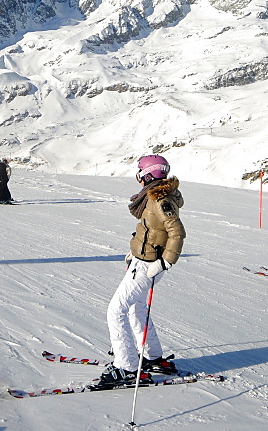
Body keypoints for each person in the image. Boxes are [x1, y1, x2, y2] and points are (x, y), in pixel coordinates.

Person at [98, 155, 186, 389]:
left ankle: (125, 367)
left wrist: (165, 262)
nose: (138, 176)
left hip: (149, 264)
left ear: (149, 174)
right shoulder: (154, 195)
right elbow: (150, 230)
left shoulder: (160, 199)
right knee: (137, 308)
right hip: (144, 259)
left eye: (140, 171)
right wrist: (134, 250)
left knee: (116, 310)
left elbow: (177, 232)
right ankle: (151, 356)